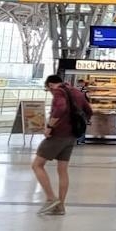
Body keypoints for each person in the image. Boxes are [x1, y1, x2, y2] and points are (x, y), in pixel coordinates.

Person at [31, 74, 91, 216]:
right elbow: (89, 110)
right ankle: (60, 207)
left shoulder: (58, 91)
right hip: (71, 136)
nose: (50, 92)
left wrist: (49, 127)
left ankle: (51, 198)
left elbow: (60, 108)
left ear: (51, 85)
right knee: (62, 170)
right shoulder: (76, 91)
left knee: (37, 165)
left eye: (48, 89)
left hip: (58, 135)